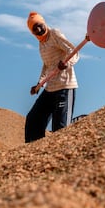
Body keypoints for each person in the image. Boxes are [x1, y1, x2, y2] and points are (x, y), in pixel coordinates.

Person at [25, 11, 79, 143]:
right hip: (50, 89)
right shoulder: (41, 44)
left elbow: (74, 52)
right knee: (33, 120)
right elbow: (46, 65)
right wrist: (39, 84)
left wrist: (66, 64)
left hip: (65, 87)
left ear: (43, 23)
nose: (38, 29)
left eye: (39, 25)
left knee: (59, 129)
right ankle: (33, 153)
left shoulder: (54, 34)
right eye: (34, 29)